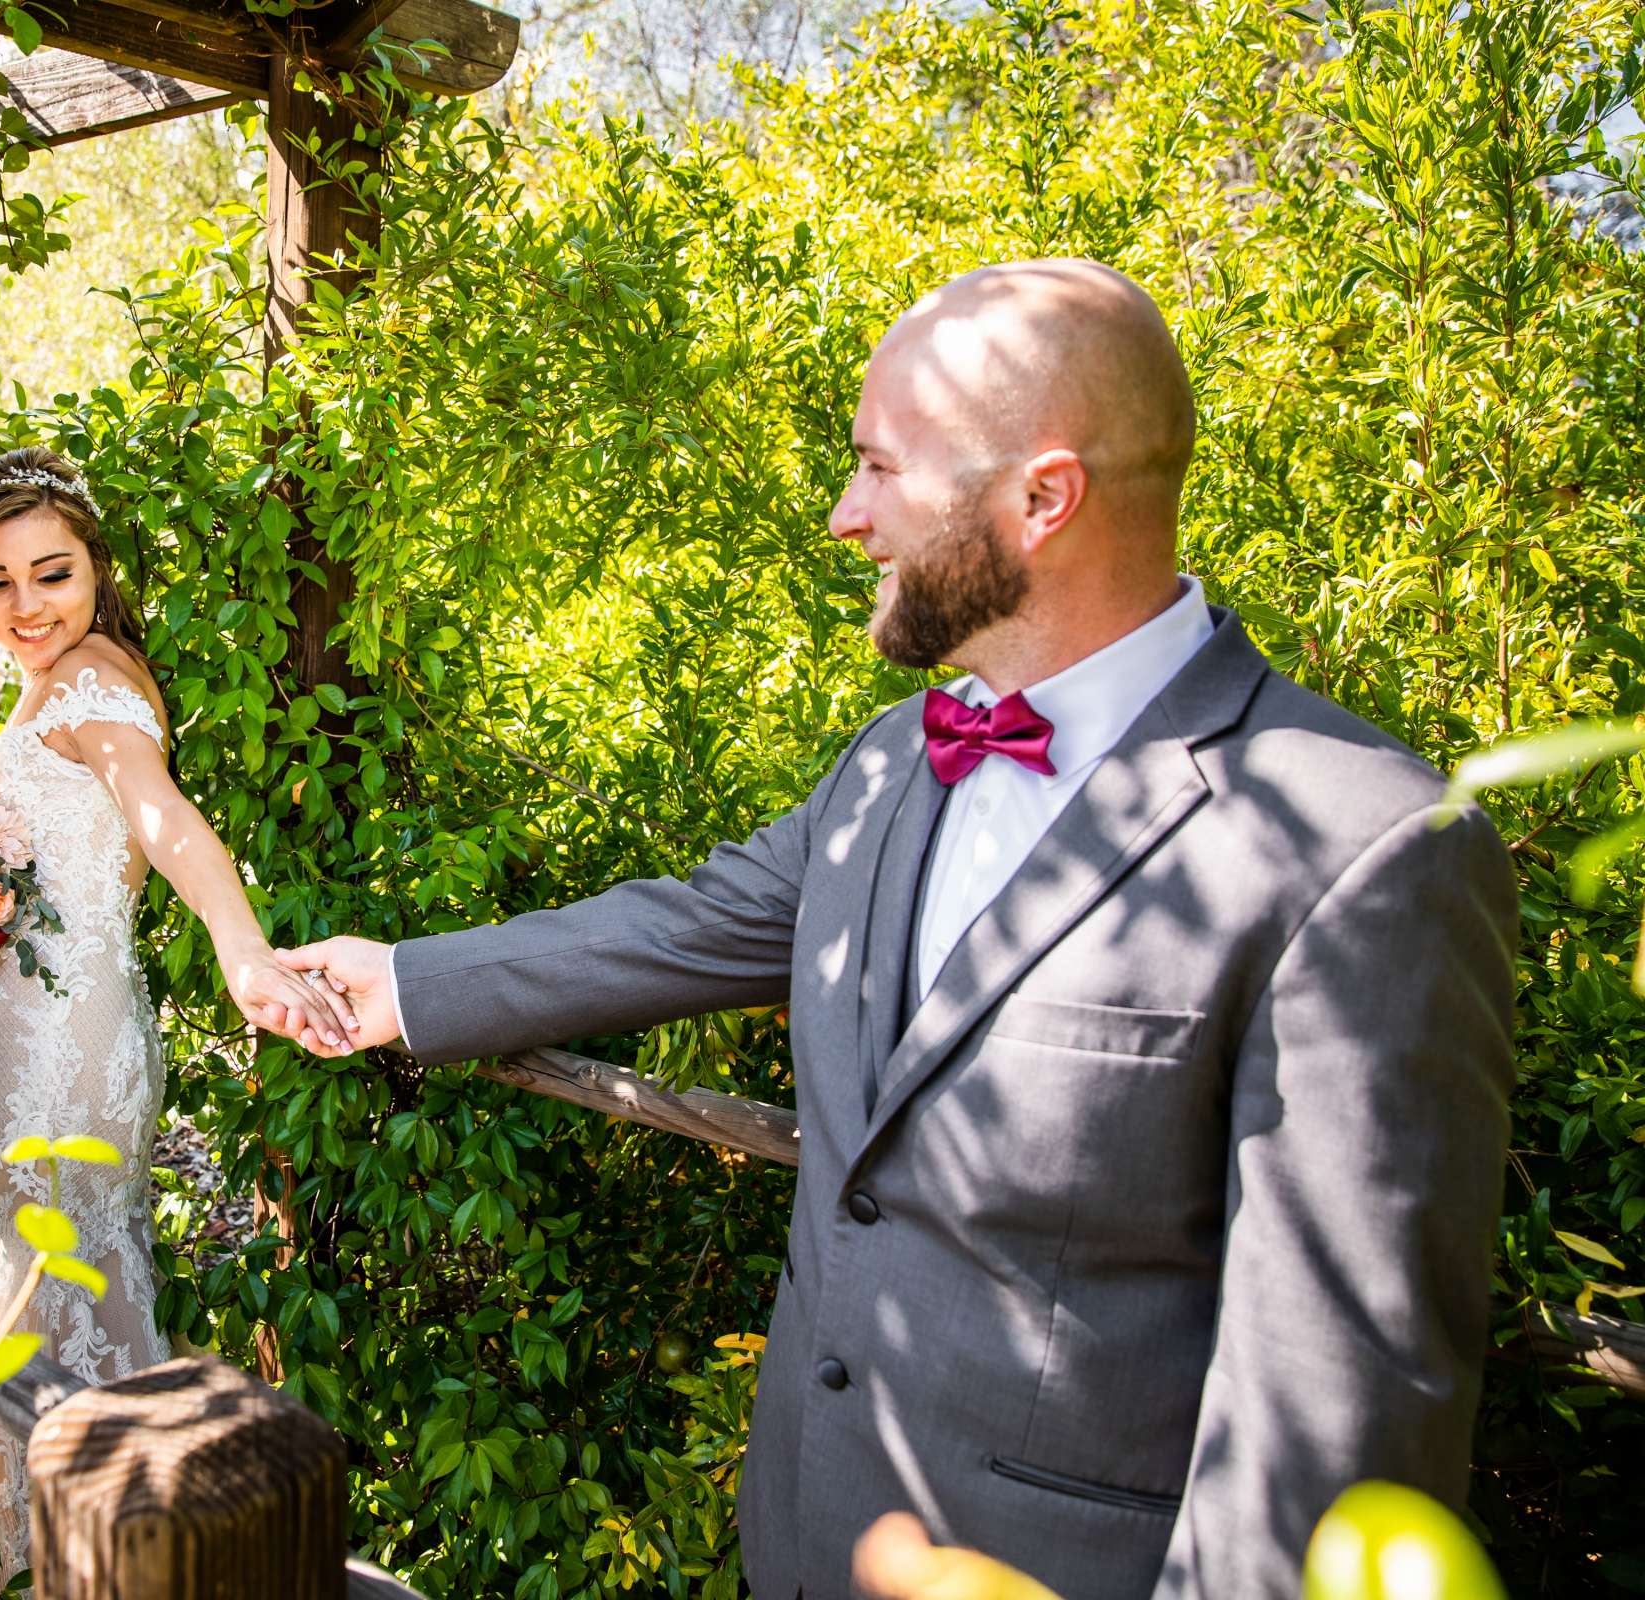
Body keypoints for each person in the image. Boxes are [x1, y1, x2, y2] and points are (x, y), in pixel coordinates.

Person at [276, 262, 1517, 1598]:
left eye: (878, 469)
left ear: (1042, 498)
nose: (841, 516)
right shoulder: (885, 768)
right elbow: (696, 927)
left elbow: (1338, 1421)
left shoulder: (1362, 847)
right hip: (809, 1538)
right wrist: (402, 982)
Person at [0, 447, 355, 1583]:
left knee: (48, 1275)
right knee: (27, 1266)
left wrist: (239, 943)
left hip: (70, 1048)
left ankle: (67, 1545)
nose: (25, 606)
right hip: (19, 1033)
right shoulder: (39, 686)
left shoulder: (99, 685)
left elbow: (166, 821)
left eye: (51, 574)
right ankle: (37, 1534)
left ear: (97, 569)